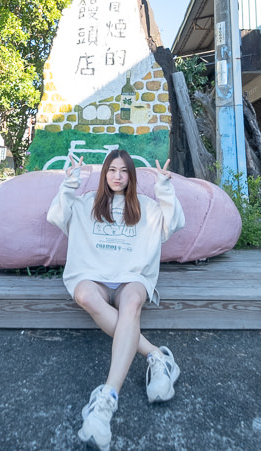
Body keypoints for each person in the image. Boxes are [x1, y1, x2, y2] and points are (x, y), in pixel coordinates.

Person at [46, 149, 185, 451]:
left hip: (130, 278)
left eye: (124, 171)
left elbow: (174, 223)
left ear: (131, 176)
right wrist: (70, 184)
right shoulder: (86, 204)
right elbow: (56, 216)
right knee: (84, 294)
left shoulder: (145, 206)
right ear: (104, 174)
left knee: (132, 302)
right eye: (112, 170)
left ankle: (107, 399)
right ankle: (157, 356)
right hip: (92, 275)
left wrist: (164, 188)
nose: (118, 176)